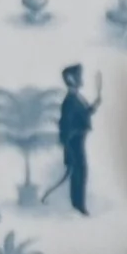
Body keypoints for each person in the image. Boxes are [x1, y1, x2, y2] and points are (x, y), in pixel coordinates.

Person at [56, 62, 95, 212]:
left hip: (78, 140)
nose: (81, 78)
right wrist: (67, 147)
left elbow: (82, 114)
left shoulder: (76, 98)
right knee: (79, 171)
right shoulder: (70, 100)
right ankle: (78, 205)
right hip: (73, 141)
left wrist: (92, 108)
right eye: (79, 76)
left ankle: (79, 204)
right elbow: (66, 124)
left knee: (81, 171)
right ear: (71, 79)